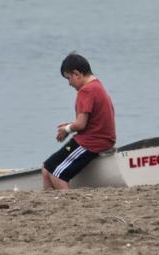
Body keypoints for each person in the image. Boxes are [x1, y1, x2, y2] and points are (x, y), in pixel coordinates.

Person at [42, 53, 116, 190]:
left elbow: (81, 124)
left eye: (68, 78)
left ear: (77, 74)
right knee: (46, 169)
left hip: (92, 142)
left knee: (55, 174)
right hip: (100, 138)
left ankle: (67, 205)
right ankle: (51, 204)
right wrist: (70, 125)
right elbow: (91, 120)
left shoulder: (86, 91)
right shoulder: (97, 86)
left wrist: (67, 129)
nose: (69, 83)